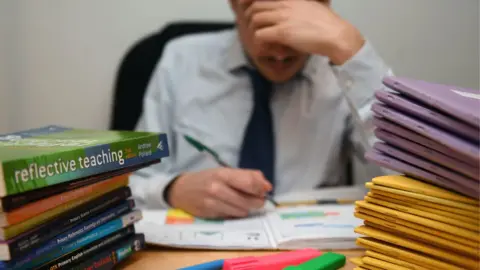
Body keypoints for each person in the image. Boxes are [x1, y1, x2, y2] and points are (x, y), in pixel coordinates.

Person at [130, 0, 392, 219]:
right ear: (235, 5)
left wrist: (353, 52)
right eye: (262, 20)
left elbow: (410, 185)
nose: (279, 53)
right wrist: (172, 190)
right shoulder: (180, 61)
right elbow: (129, 185)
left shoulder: (346, 72)